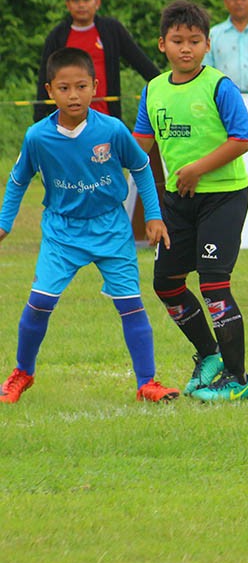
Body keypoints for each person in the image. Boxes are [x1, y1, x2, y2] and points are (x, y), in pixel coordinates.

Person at [0, 48, 178, 404]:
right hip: (62, 232)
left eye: (81, 86)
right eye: (64, 88)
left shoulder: (111, 130)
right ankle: (22, 372)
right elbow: (18, 180)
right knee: (39, 303)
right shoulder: (37, 136)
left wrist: (155, 216)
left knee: (131, 305)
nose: (73, 95)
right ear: (50, 91)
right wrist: (4, 222)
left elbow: (141, 168)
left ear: (95, 87)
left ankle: (147, 382)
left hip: (111, 228)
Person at [133, 0, 248, 402]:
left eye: (195, 41)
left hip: (223, 198)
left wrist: (198, 168)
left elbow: (242, 138)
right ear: (162, 44)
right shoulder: (153, 91)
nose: (186, 48)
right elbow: (140, 147)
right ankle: (209, 356)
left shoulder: (219, 86)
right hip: (177, 202)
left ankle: (238, 379)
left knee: (214, 285)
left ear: (207, 46)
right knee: (166, 284)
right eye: (177, 40)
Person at [35, 0, 160, 122]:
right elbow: (45, 75)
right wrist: (39, 117)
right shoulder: (57, 36)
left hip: (105, 117)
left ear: (97, 3)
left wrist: (164, 85)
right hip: (66, 121)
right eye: (75, 0)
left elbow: (140, 62)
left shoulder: (111, 30)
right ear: (67, 5)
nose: (81, 5)